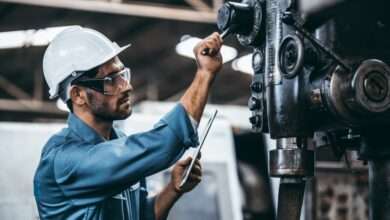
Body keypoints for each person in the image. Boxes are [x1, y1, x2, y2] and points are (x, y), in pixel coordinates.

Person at [33, 26, 223, 220]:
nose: (127, 86)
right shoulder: (65, 160)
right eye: (111, 80)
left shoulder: (118, 143)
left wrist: (173, 189)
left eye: (122, 75)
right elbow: (164, 143)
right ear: (78, 95)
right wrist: (204, 74)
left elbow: (140, 215)